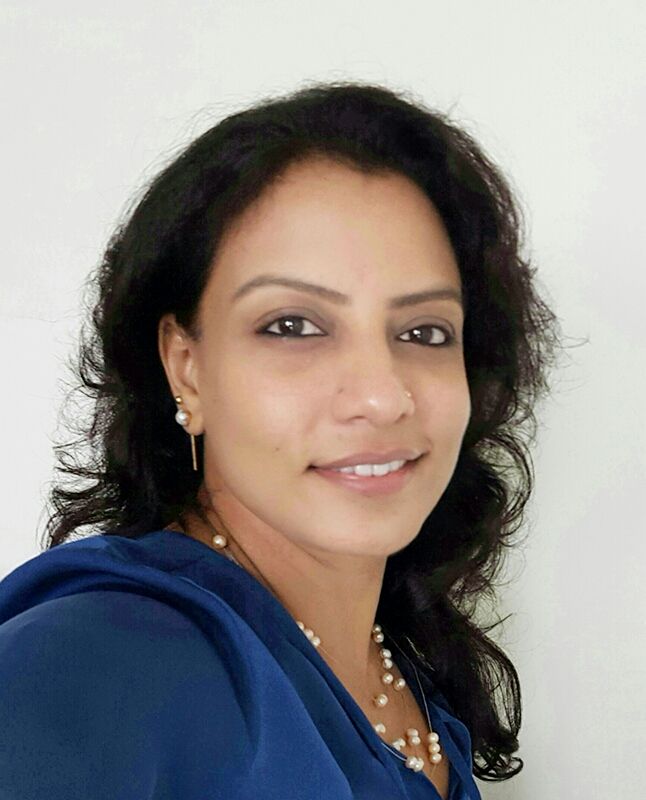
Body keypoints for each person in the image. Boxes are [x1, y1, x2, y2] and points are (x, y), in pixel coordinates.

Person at [0, 81, 562, 800]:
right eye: (293, 326)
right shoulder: (93, 662)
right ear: (186, 367)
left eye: (424, 331)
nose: (381, 396)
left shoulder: (410, 681)